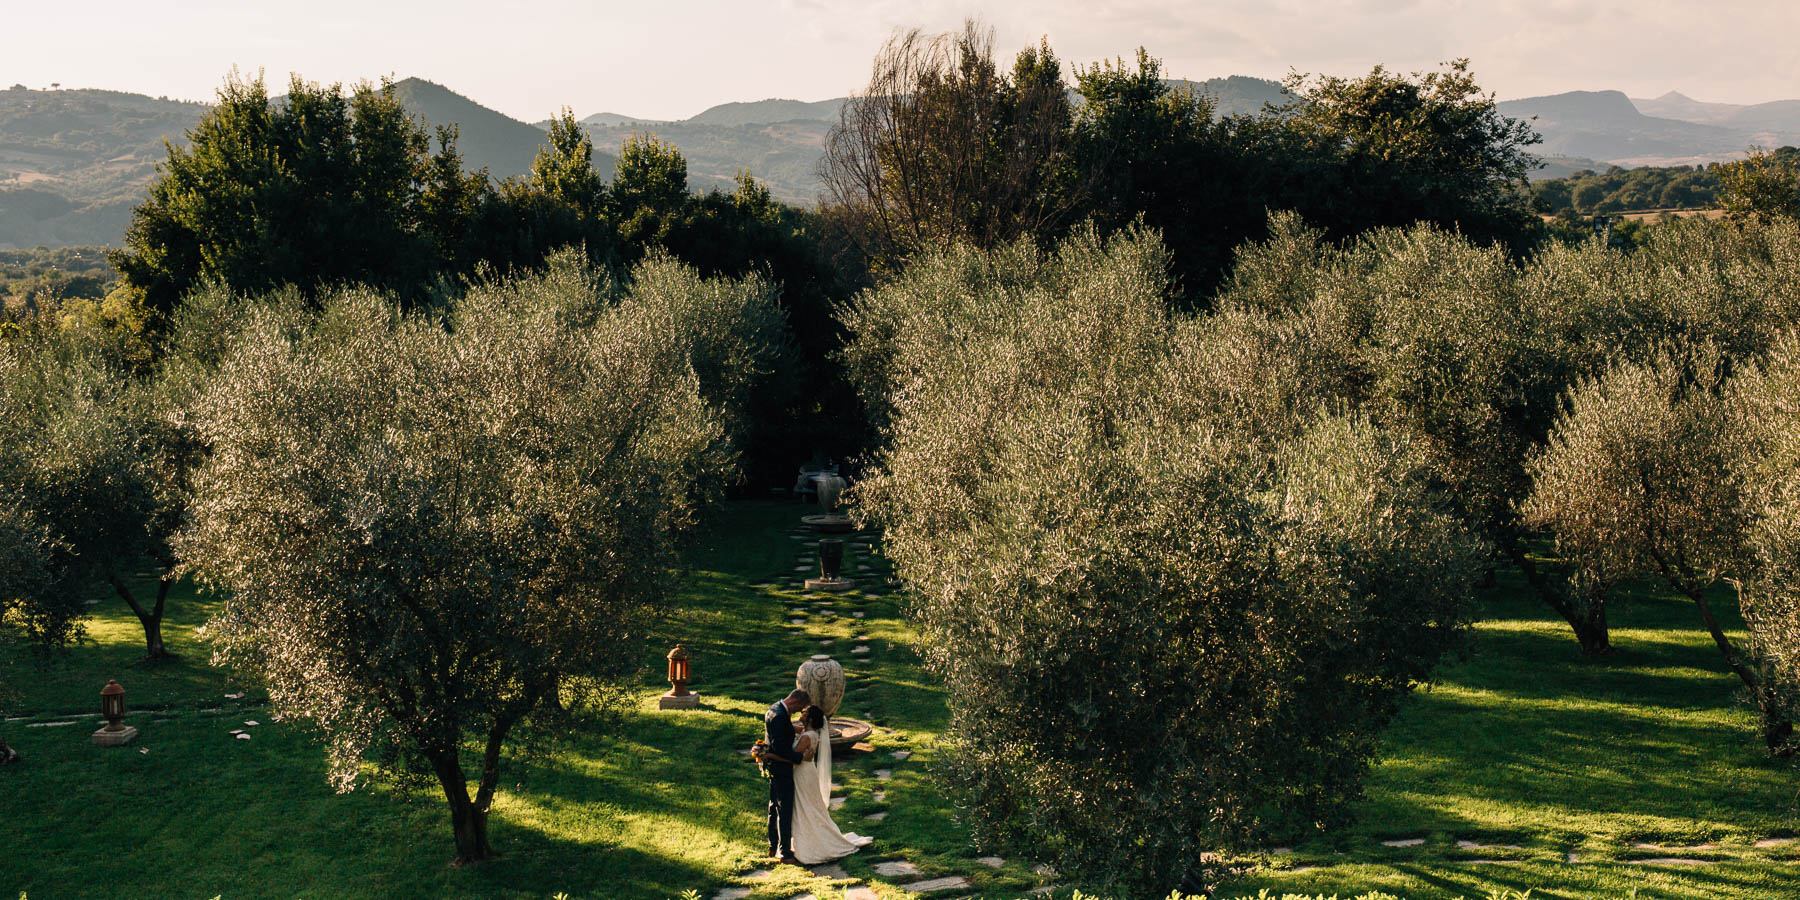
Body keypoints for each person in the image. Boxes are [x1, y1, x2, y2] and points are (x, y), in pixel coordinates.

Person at [789, 704, 873, 864]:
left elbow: (794, 757)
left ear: (810, 719)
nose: (801, 714)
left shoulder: (806, 737)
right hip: (808, 772)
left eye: (804, 713)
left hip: (802, 773)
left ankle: (810, 843)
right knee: (810, 806)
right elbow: (795, 730)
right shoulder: (811, 733)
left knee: (804, 806)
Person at [756, 688, 811, 864]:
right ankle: (785, 853)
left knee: (773, 807)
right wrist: (801, 757)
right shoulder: (780, 716)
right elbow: (782, 750)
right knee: (784, 810)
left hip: (774, 768)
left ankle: (773, 846)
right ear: (795, 701)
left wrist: (795, 729)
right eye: (800, 707)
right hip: (782, 769)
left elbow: (780, 733)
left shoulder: (774, 709)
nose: (798, 711)